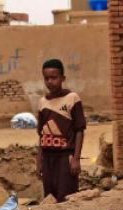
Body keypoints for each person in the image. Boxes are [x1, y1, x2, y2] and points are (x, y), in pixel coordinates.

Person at [36, 59, 86, 202]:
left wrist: (76, 158)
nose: (50, 81)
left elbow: (79, 130)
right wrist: (39, 160)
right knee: (50, 198)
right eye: (46, 78)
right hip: (48, 157)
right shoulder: (42, 102)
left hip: (65, 157)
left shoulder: (72, 99)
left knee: (66, 197)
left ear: (63, 78)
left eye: (54, 77)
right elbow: (41, 134)